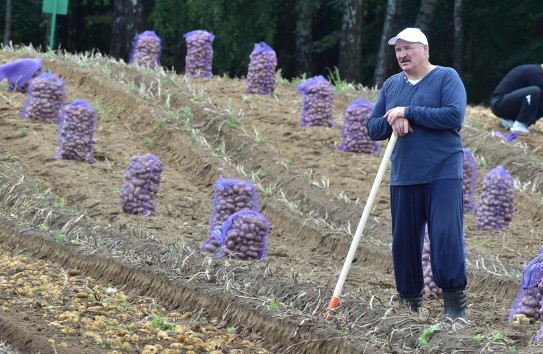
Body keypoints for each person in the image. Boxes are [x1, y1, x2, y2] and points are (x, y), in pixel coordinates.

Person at [366, 27, 468, 320]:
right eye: (398, 50)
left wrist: (408, 111)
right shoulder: (391, 85)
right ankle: (409, 306)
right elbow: (373, 128)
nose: (402, 54)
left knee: (445, 235)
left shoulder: (446, 77)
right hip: (405, 175)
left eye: (408, 48)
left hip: (443, 171)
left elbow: (453, 115)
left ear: (425, 49)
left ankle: (455, 308)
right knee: (404, 242)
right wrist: (393, 118)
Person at [490, 64, 543, 134]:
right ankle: (519, 125)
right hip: (499, 102)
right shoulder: (535, 73)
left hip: (508, 103)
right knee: (534, 91)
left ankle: (510, 122)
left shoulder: (537, 72)